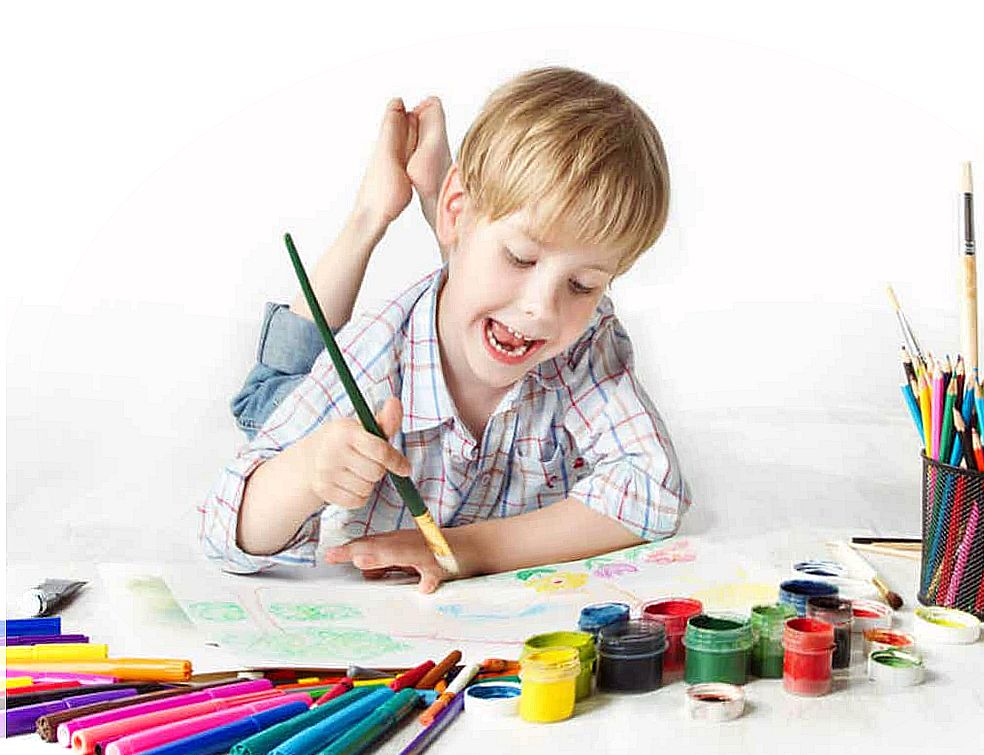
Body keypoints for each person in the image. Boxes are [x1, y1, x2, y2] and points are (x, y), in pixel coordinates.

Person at [199, 67, 690, 593]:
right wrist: (308, 470)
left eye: (582, 284)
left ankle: (449, 202)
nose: (543, 310)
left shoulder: (584, 339)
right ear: (460, 209)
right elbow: (223, 529)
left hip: (462, 260)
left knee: (479, 292)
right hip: (310, 384)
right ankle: (373, 213)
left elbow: (654, 489)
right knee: (272, 392)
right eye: (521, 257)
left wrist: (472, 549)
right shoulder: (375, 355)